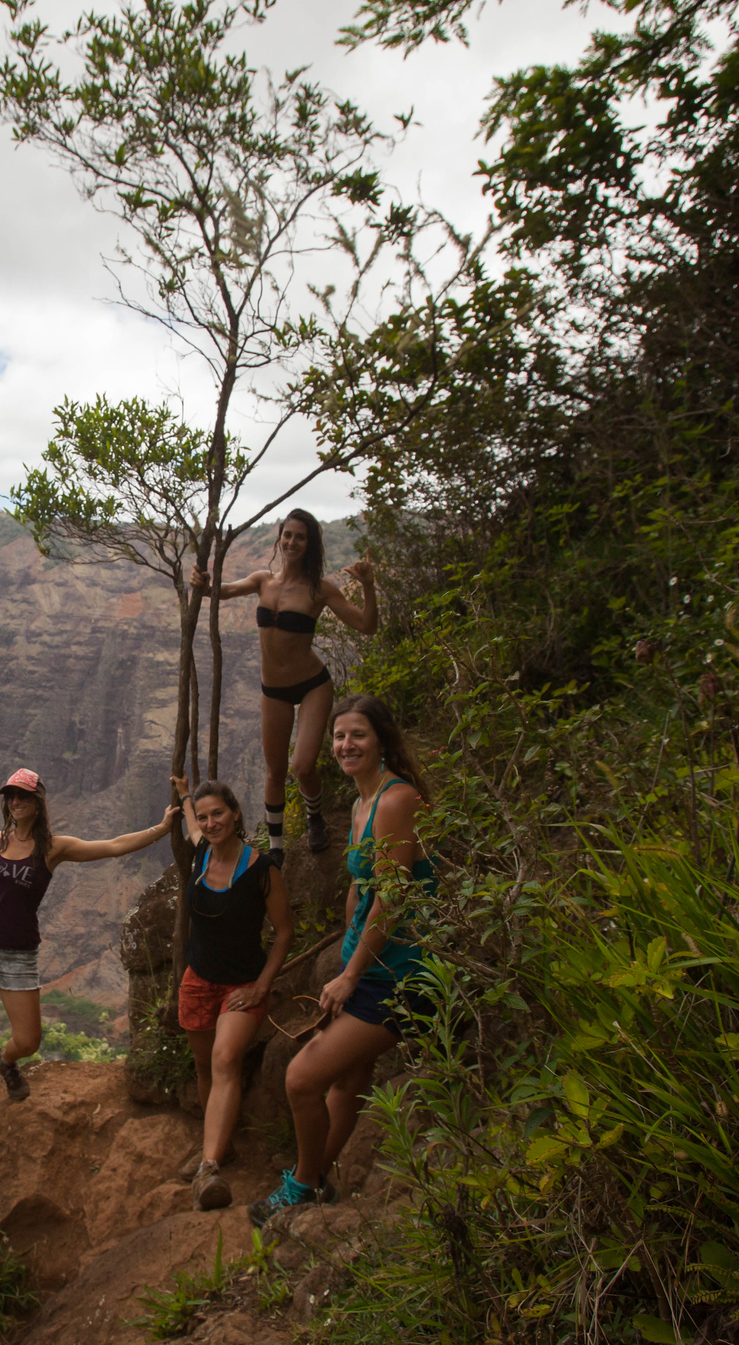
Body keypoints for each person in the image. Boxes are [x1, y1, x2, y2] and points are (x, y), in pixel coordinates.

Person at [249, 695, 434, 1225]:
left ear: (381, 740)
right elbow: (364, 886)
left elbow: (394, 897)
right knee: (346, 1081)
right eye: (338, 737)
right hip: (371, 961)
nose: (345, 745)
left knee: (301, 1079)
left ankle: (303, 1184)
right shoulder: (360, 804)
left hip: (402, 972)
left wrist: (350, 974)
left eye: (357, 736)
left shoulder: (396, 800)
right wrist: (349, 947)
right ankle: (315, 1183)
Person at [0, 768, 178, 1125]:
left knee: (28, 1040)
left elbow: (113, 846)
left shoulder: (53, 848)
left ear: (37, 803)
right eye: (10, 796)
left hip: (18, 953)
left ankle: (7, 1062)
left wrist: (161, 830)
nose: (15, 802)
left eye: (23, 796)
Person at [189, 511, 378, 861]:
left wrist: (367, 584)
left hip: (311, 685)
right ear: (279, 538)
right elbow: (221, 592)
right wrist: (200, 581)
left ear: (310, 544)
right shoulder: (263, 580)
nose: (292, 542)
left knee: (302, 767)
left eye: (300, 537)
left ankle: (315, 817)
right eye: (287, 535)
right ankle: (276, 848)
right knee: (275, 770)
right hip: (271, 689)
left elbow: (366, 625)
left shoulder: (319, 589)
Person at [170, 774, 292, 1210]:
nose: (210, 822)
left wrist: (261, 988)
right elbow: (190, 821)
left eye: (218, 813)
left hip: (241, 986)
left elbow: (284, 932)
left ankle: (208, 1168)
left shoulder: (262, 870)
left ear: (236, 813)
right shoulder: (202, 851)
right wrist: (186, 794)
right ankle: (222, 1147)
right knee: (205, 1067)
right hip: (198, 981)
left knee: (224, 1060)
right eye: (205, 817)